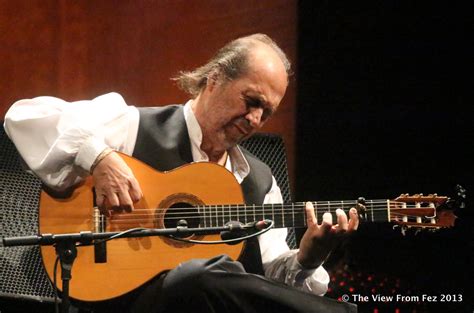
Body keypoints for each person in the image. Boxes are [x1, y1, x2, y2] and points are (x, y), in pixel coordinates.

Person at [4, 33, 358, 313]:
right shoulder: (131, 125)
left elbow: (264, 280)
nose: (254, 119)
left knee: (212, 276)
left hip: (206, 303)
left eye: (266, 112)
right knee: (196, 277)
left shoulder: (259, 180)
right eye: (251, 101)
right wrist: (99, 158)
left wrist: (308, 259)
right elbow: (24, 116)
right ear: (214, 79)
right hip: (117, 299)